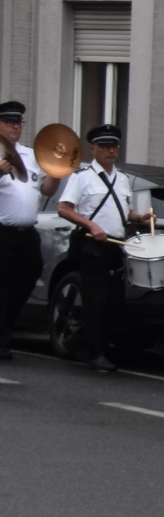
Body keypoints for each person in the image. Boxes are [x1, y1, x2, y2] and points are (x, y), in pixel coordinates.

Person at [55, 124, 153, 373]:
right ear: (93, 148)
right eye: (105, 146)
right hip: (92, 243)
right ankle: (95, 353)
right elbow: (64, 208)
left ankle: (77, 341)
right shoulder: (82, 177)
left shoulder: (122, 179)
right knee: (95, 300)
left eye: (114, 146)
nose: (111, 150)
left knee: (113, 303)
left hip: (115, 245)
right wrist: (91, 225)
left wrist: (139, 217)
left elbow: (124, 210)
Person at [0, 100, 59, 359]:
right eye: (10, 122)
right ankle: (2, 339)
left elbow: (47, 190)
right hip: (2, 232)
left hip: (27, 234)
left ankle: (5, 326)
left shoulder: (31, 156)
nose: (16, 126)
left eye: (19, 122)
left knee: (26, 280)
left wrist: (56, 171)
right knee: (1, 286)